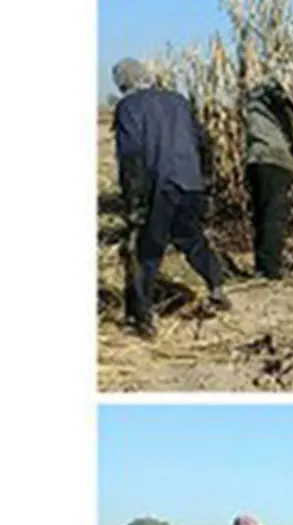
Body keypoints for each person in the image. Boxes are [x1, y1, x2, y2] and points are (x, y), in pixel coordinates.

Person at [112, 59, 231, 340]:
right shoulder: (177, 100)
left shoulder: (129, 107)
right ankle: (217, 288)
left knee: (146, 251)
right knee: (191, 238)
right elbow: (203, 141)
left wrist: (134, 203)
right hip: (191, 182)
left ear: (123, 84)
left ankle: (142, 318)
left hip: (160, 185)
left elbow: (131, 157)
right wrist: (207, 180)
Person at [245, 74, 293, 280]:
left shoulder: (255, 103)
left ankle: (263, 265)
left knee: (263, 214)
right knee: (274, 215)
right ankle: (270, 269)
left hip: (257, 160)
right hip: (274, 160)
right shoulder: (271, 96)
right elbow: (281, 99)